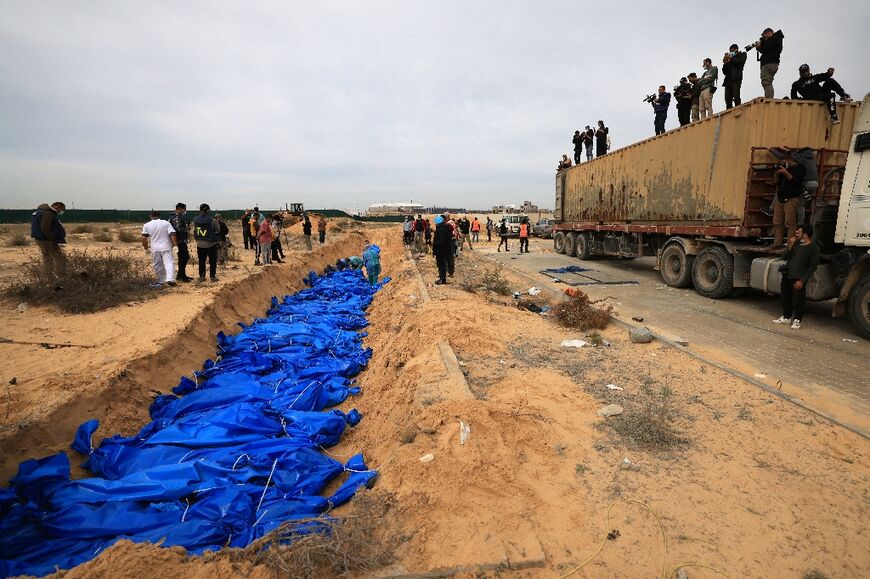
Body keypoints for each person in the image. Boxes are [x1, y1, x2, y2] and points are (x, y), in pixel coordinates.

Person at [773, 224, 819, 330]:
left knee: (799, 300)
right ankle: (786, 317)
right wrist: (790, 245)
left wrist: (802, 280)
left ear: (805, 235)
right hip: (787, 275)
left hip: (798, 278)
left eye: (798, 232)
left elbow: (812, 267)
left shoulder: (813, 248)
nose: (796, 234)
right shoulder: (796, 245)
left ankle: (797, 320)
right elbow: (784, 257)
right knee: (785, 297)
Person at [771, 153, 806, 247]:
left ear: (789, 160)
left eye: (783, 162)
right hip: (780, 197)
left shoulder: (800, 168)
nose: (782, 164)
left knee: (789, 222)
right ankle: (777, 242)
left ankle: (790, 244)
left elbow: (796, 182)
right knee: (777, 221)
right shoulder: (782, 169)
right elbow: (775, 182)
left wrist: (785, 172)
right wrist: (776, 173)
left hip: (792, 197)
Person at [30, 201, 67, 279]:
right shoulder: (48, 214)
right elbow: (45, 227)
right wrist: (51, 238)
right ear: (57, 206)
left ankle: (49, 276)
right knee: (59, 258)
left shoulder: (39, 212)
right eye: (62, 209)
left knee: (47, 258)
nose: (62, 211)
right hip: (47, 241)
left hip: (40, 240)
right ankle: (62, 276)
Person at [141, 210, 177, 287]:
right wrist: (175, 245)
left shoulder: (147, 225)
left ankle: (161, 280)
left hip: (155, 248)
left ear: (150, 216)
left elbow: (144, 238)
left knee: (157, 265)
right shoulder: (166, 223)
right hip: (166, 246)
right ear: (159, 216)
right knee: (169, 263)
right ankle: (170, 279)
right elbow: (172, 234)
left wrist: (146, 248)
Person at [751, 28, 784, 99]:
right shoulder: (776, 38)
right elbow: (767, 48)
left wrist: (759, 47)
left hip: (769, 63)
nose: (764, 38)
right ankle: (769, 98)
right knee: (767, 82)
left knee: (766, 82)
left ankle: (769, 100)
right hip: (772, 63)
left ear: (769, 33)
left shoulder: (774, 38)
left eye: (764, 36)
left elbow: (765, 49)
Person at [193, 203, 220, 282]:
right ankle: (212, 277)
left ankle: (202, 276)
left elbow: (195, 229)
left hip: (200, 243)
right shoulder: (212, 220)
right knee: (212, 261)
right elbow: (218, 229)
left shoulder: (195, 219)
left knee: (201, 261)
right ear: (208, 210)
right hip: (211, 244)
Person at [168, 202, 192, 282]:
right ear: (180, 209)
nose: (184, 211)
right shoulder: (176, 217)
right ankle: (181, 276)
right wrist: (186, 229)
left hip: (180, 240)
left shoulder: (176, 216)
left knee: (183, 258)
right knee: (184, 257)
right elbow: (177, 229)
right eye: (184, 209)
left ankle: (181, 274)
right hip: (179, 241)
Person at [722, 44, 747, 109]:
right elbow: (725, 72)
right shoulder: (730, 59)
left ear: (736, 49)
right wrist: (725, 63)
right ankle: (729, 112)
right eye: (730, 51)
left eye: (732, 51)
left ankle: (738, 109)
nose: (731, 52)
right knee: (727, 99)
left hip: (736, 79)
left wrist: (731, 58)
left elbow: (740, 63)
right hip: (728, 81)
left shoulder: (742, 54)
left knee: (736, 97)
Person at [432, 216, 452, 285]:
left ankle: (442, 279)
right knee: (441, 265)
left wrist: (434, 243)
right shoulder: (445, 228)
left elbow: (443, 241)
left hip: (440, 250)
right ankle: (442, 278)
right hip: (443, 250)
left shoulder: (440, 230)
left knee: (441, 265)